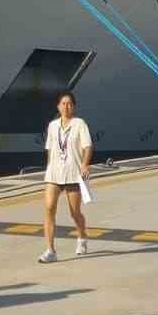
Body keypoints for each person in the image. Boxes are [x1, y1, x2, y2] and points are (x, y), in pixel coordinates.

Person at [39, 91, 92, 263]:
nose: (66, 107)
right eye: (63, 103)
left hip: (72, 174)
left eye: (69, 104)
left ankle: (82, 236)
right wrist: (49, 167)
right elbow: (50, 149)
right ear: (58, 106)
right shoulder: (52, 126)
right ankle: (50, 250)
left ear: (73, 107)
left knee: (74, 213)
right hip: (54, 174)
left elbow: (88, 146)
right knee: (49, 208)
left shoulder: (79, 124)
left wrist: (85, 164)